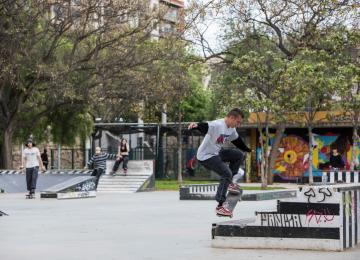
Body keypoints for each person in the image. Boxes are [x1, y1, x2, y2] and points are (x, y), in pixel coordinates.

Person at [188, 108, 252, 217]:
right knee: (226, 173)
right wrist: (196, 125)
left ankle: (230, 183)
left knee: (239, 155)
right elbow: (206, 126)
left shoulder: (231, 129)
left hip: (216, 153)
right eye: (238, 122)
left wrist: (248, 149)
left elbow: (237, 141)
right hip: (206, 156)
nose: (239, 124)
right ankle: (220, 206)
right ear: (231, 118)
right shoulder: (218, 124)